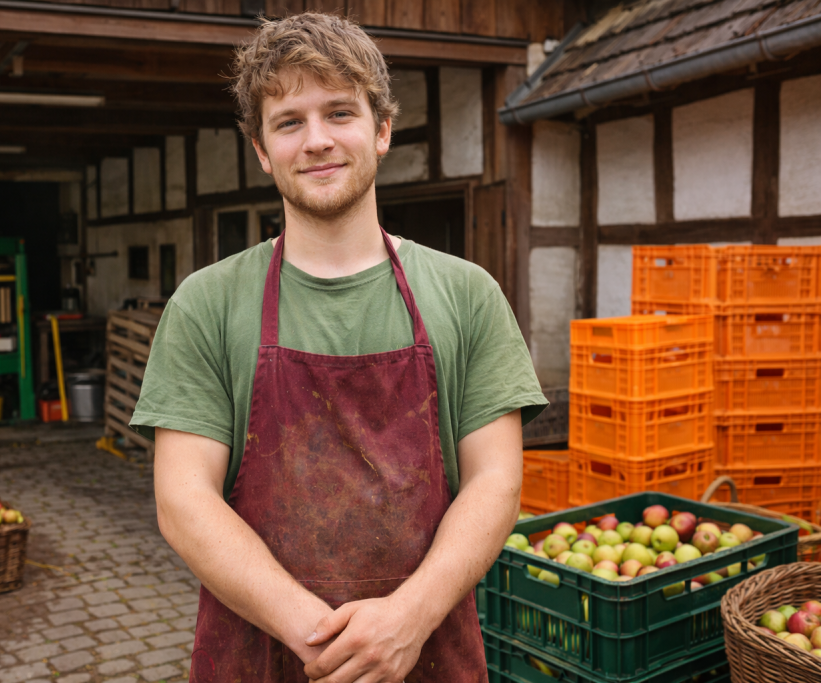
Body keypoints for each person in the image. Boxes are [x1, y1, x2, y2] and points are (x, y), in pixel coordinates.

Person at [131, 12, 546, 682]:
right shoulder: (205, 305)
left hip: (427, 651)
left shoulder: (468, 294)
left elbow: (496, 480)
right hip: (261, 654)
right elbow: (184, 496)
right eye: (289, 121)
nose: (317, 140)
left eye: (340, 112)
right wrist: (320, 637)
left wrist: (408, 616)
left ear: (382, 130)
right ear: (262, 149)